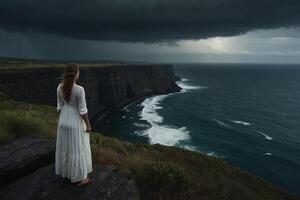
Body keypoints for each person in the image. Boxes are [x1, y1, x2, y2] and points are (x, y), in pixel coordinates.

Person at [55, 63, 93, 186]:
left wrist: (62, 120)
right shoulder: (79, 89)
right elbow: (83, 110)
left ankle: (68, 173)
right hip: (75, 121)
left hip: (63, 120)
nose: (79, 74)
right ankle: (81, 178)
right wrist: (88, 125)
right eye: (78, 72)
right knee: (77, 149)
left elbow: (59, 107)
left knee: (66, 147)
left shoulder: (59, 87)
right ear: (76, 74)